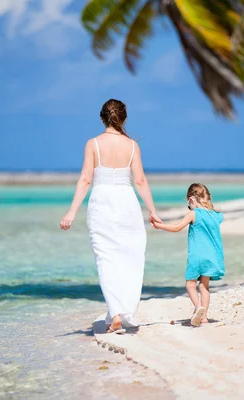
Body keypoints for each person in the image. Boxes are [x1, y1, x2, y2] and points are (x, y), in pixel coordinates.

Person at [60, 99, 161, 334]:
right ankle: (120, 312)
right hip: (127, 203)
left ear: (102, 117)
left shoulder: (93, 144)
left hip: (102, 202)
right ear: (124, 118)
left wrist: (71, 211)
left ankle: (114, 314)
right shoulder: (133, 146)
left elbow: (85, 180)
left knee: (106, 259)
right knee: (130, 258)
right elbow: (140, 181)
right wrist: (153, 212)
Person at [151, 183, 224, 327]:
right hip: (213, 256)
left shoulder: (194, 213)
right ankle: (204, 318)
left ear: (191, 199)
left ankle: (198, 307)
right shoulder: (217, 215)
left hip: (197, 256)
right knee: (204, 287)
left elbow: (176, 227)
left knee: (190, 284)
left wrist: (159, 226)